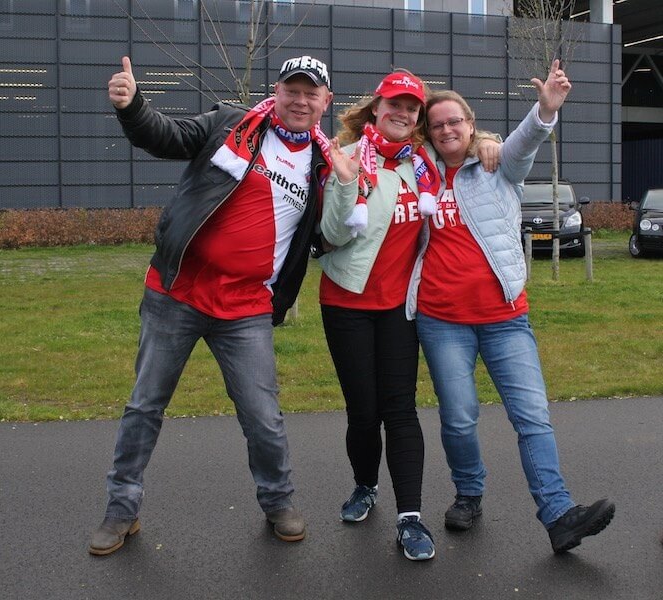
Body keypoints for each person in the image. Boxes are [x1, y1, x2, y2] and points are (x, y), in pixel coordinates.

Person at [89, 54, 334, 555]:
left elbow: (340, 221)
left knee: (262, 416)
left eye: (312, 93)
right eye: (293, 89)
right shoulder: (230, 124)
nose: (301, 99)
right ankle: (122, 509)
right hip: (175, 293)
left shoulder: (327, 164)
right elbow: (168, 136)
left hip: (246, 309)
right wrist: (133, 106)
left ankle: (279, 501)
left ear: (325, 103)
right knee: (144, 406)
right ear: (277, 91)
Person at [406, 59, 615, 554]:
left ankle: (559, 513)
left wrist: (544, 111)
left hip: (505, 320)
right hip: (442, 321)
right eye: (437, 125)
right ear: (428, 134)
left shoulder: (499, 167)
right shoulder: (417, 174)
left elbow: (524, 143)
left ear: (471, 125)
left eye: (455, 121)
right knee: (458, 418)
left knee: (533, 416)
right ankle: (469, 495)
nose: (447, 129)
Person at [318, 70, 499, 561]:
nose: (402, 113)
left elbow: (462, 139)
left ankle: (410, 518)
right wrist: (342, 181)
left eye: (411, 108)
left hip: (401, 307)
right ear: (376, 108)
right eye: (393, 104)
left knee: (399, 410)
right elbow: (333, 231)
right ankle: (364, 485)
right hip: (346, 302)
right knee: (363, 411)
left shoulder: (424, 164)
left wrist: (487, 140)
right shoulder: (348, 157)